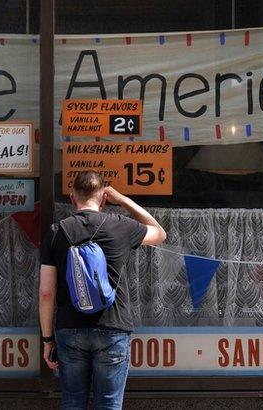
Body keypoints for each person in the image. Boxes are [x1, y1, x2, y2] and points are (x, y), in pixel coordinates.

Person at [39, 171, 167, 410]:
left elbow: (46, 292)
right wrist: (124, 200)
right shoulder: (121, 226)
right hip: (113, 326)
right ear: (104, 199)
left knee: (72, 403)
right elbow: (159, 233)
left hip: (70, 327)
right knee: (109, 404)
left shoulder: (56, 232)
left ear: (72, 197)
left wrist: (47, 340)